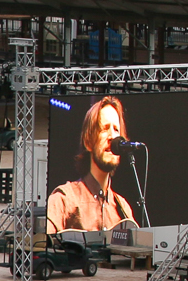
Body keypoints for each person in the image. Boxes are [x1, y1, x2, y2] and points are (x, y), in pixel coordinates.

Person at [46, 94, 137, 233]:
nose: (112, 137)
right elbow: (43, 247)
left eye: (116, 130)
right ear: (88, 142)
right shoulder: (64, 199)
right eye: (104, 128)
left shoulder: (123, 208)